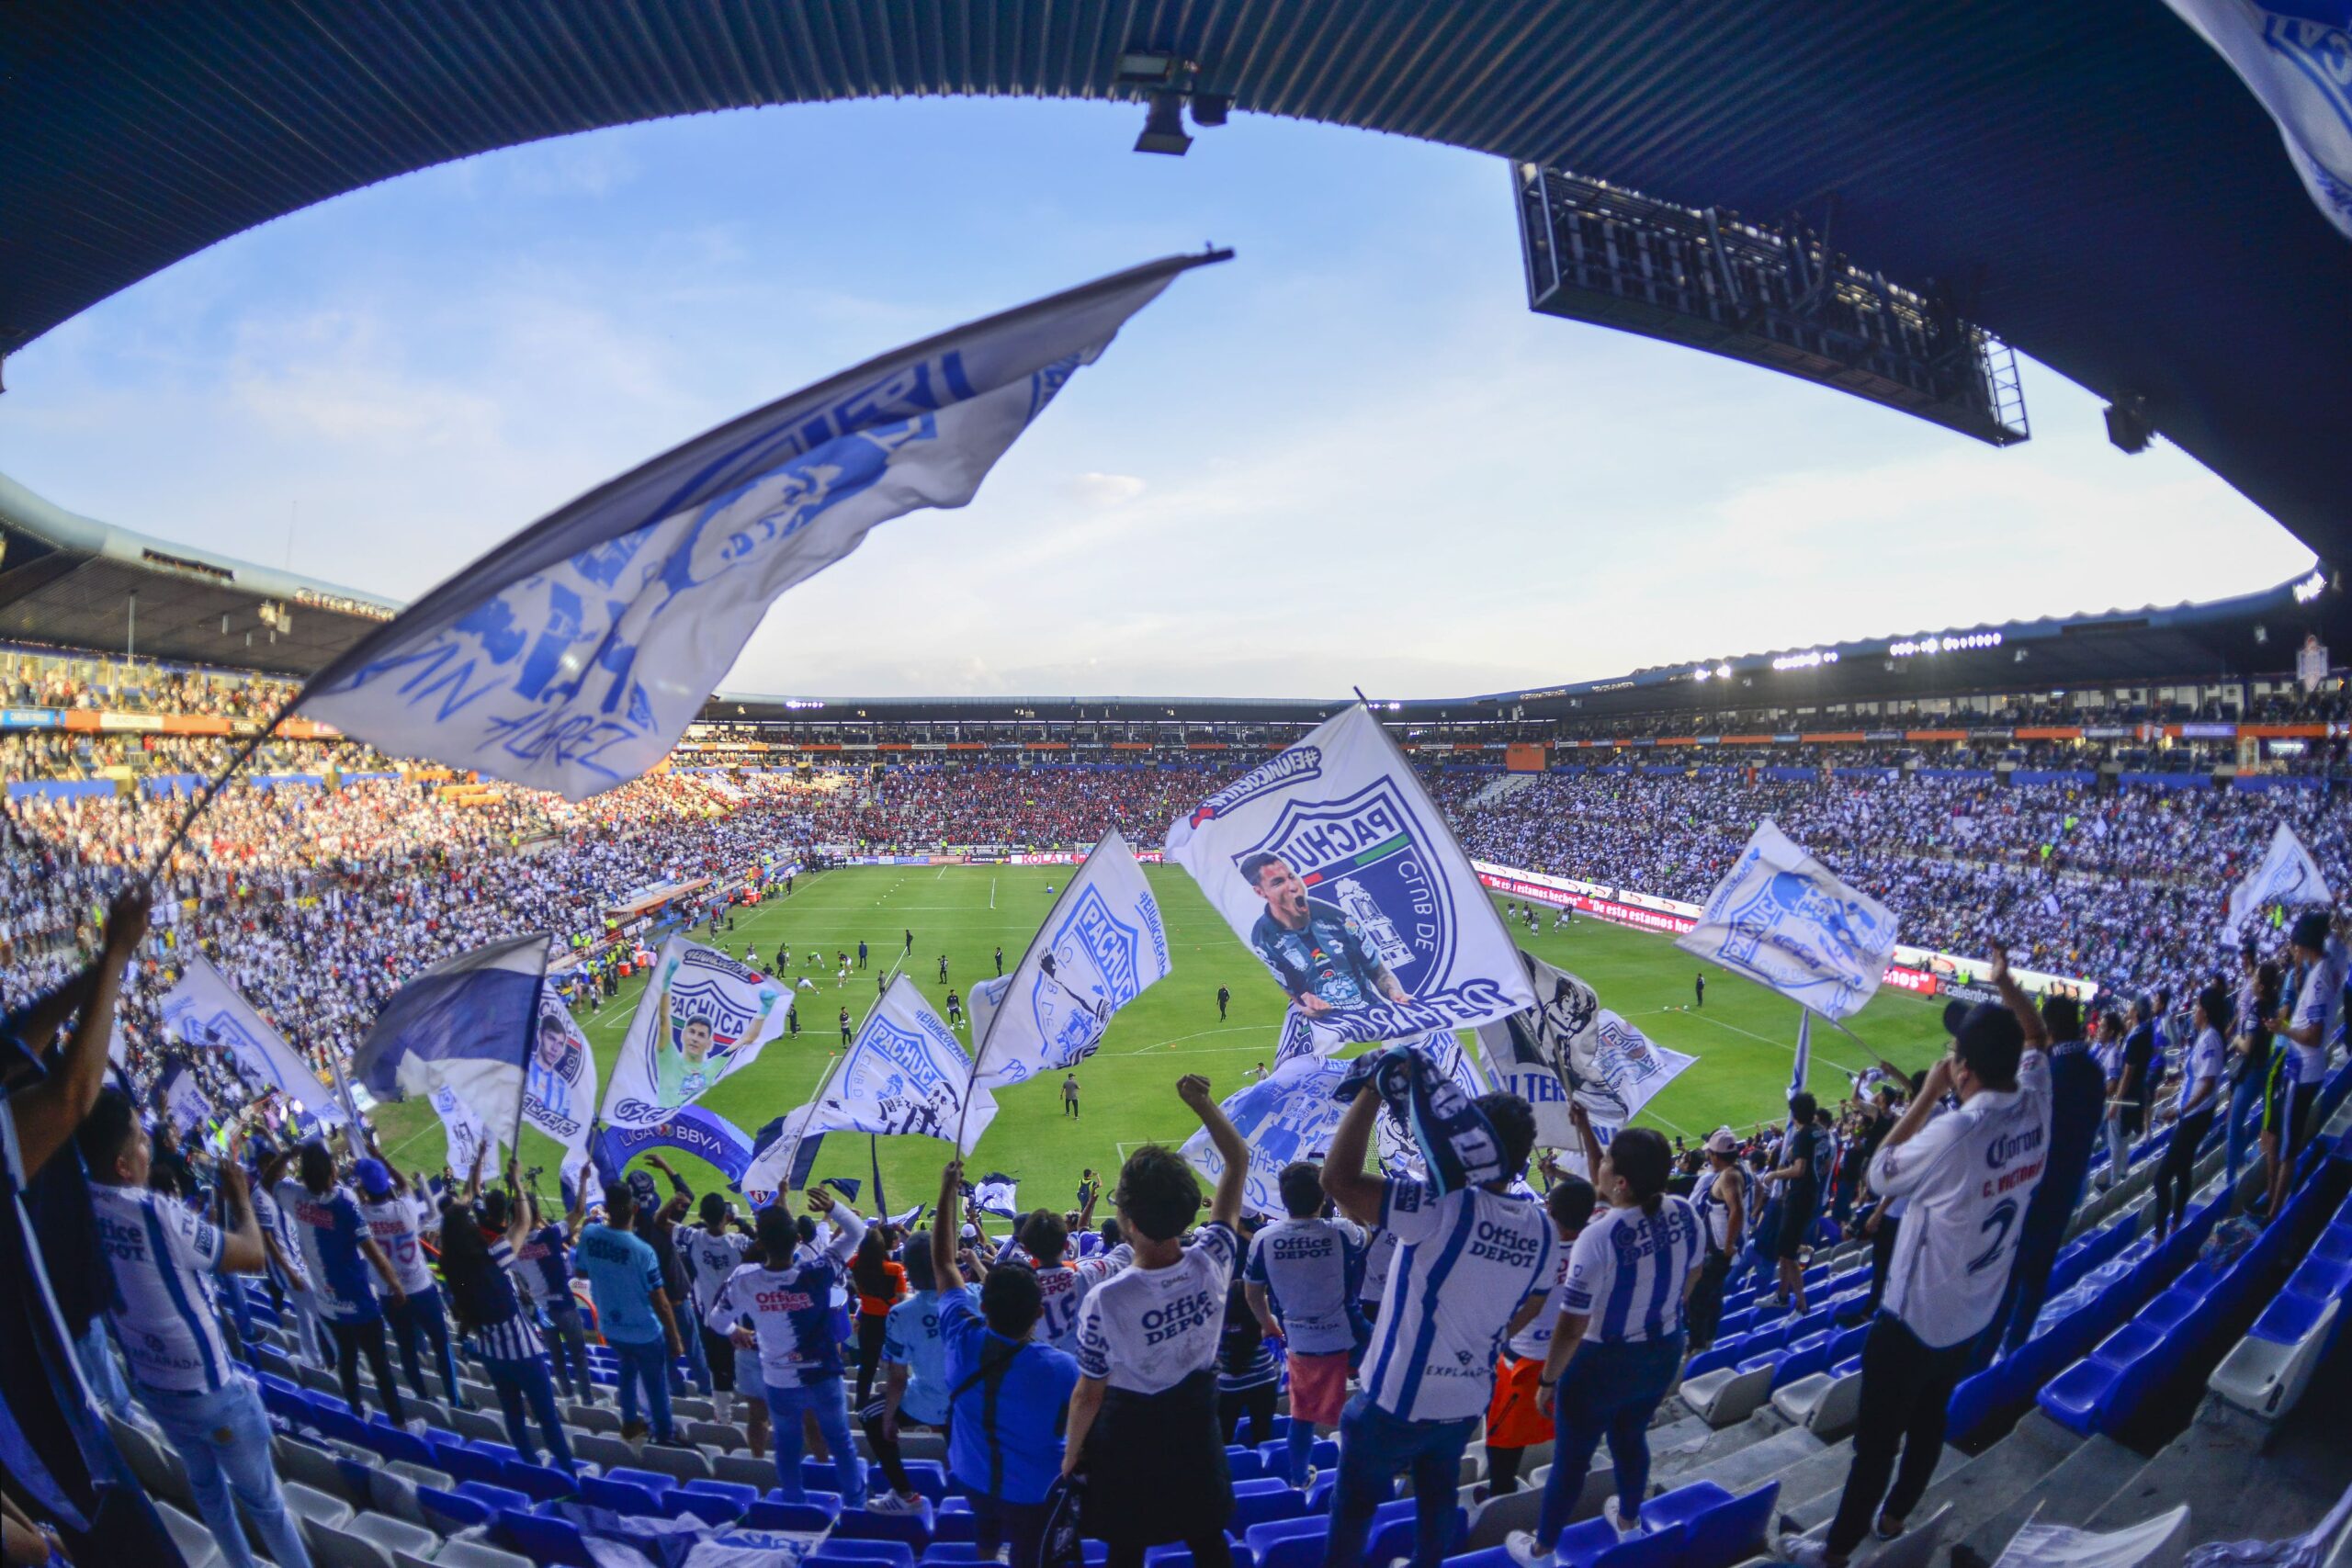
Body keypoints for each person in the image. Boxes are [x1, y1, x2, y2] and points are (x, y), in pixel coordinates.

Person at [1780, 955, 2050, 1568]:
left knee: (1874, 1444)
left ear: (1965, 1070)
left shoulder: (1954, 1132)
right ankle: (1896, 1513)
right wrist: (2007, 983)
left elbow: (1879, 1174)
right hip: (1975, 1309)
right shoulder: (2037, 1099)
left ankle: (1834, 1551)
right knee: (1930, 1421)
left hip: (1914, 1317)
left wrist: (1926, 1094)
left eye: (1955, 1051)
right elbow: (2037, 1037)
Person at [1320, 1076, 1552, 1568]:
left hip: (1394, 1403)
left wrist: (1371, 1089)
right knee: (1436, 1497)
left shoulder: (1438, 1206)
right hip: (1469, 1398)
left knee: (1354, 1508)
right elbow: (1537, 1297)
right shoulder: (1544, 1230)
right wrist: (1492, 1335)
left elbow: (1337, 1181)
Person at [82, 1100, 316, 1568]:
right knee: (266, 1505)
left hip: (153, 1387)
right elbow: (251, 1255)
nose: (150, 1148)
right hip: (208, 1391)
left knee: (208, 1492)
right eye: (141, 1140)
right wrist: (240, 1199)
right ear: (123, 1165)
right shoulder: (155, 1213)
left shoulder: (79, 1205)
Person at [1066, 1077, 1250, 1568]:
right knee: (1209, 1541)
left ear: (1126, 1220)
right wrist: (1201, 1102)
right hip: (1196, 1431)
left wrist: (1070, 1455)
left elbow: (1089, 1392)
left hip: (1129, 1440)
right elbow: (1237, 1161)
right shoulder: (1214, 1259)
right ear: (1191, 1206)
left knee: (1126, 1549)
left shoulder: (1107, 1299)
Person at [1507, 1110, 1702, 1562]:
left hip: (1602, 1365)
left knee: (1572, 1460)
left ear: (1622, 1183)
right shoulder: (1685, 1210)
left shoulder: (1599, 1236)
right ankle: (1630, 1522)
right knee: (1631, 1439)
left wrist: (1549, 1379)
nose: (1602, 1163)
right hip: (1663, 1350)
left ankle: (1542, 1550)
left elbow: (1573, 1325)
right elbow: (1694, 1272)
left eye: (1608, 1159)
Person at [934, 1160, 1082, 1568]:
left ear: (981, 1306)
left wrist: (947, 1189)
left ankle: (985, 1559)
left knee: (985, 1528)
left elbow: (945, 1266)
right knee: (1028, 1548)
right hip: (1034, 1487)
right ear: (1038, 1313)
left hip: (971, 1474)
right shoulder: (1062, 1369)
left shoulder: (962, 1338)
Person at [706, 1189, 870, 1501]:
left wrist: (733, 1331)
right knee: (841, 1442)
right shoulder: (818, 1271)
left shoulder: (745, 1280)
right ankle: (856, 1503)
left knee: (787, 1444)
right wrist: (833, 1207)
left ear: (760, 1243)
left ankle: (794, 1501)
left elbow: (715, 1321)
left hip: (779, 1380)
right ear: (797, 1241)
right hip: (823, 1375)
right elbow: (857, 1231)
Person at [1243, 1160, 1364, 1487]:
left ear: (1283, 1198)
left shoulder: (1264, 1239)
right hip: (1352, 1337)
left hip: (1302, 1340)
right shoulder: (1341, 1232)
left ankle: (1299, 1479)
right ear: (1323, 1196)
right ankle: (1380, 1465)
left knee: (1303, 1416)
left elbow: (1252, 1292)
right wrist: (1341, 1198)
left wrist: (1267, 1323)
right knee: (1376, 1397)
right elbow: (1364, 1234)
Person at [442, 1181, 577, 1474]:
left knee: (513, 1413)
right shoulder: (490, 1258)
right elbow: (523, 1222)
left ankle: (530, 1465)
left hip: (491, 1352)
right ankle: (567, 1474)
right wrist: (516, 1181)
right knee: (547, 1417)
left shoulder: (453, 1268)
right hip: (521, 1351)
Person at [282, 1139, 412, 1427]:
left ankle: (355, 1412)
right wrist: (394, 1284)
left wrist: (287, 1155)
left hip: (328, 1306)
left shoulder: (294, 1196)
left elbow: (268, 1183)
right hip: (359, 1302)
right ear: (331, 1169)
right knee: (380, 1367)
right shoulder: (345, 1201)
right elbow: (372, 1251)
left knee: (347, 1361)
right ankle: (400, 1423)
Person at [1483, 1172, 1597, 1499]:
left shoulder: (1526, 1251)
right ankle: (1577, 1480)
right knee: (1572, 1424)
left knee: (1503, 1437)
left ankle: (1500, 1496)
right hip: (1578, 1355)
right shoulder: (1599, 1246)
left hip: (1526, 1361)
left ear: (1549, 1208)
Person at [573, 1179, 686, 1444]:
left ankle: (629, 1424)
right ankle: (665, 1435)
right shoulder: (642, 1251)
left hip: (612, 1327)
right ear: (635, 1208)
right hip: (645, 1332)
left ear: (606, 1208)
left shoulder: (590, 1235)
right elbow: (661, 1301)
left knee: (626, 1370)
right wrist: (675, 1338)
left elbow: (580, 1272)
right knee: (656, 1386)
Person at [355, 1151, 464, 1410]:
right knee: (441, 1344)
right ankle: (454, 1400)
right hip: (420, 1288)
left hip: (388, 1293)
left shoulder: (361, 1215)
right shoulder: (406, 1208)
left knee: (406, 1348)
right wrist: (383, 1159)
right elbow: (404, 1185)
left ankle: (422, 1396)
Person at [1238, 852, 1412, 1015]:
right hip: (1327, 1028)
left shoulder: (1340, 919)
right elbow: (1296, 998)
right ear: (1260, 892)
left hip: (1369, 1016)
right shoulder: (1264, 938)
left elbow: (1380, 974)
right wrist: (1309, 1006)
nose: (1292, 887)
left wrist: (1393, 992)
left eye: (1291, 877)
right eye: (1278, 883)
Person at [862, 1241, 964, 1514]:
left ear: (907, 1270)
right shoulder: (972, 1297)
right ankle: (979, 1502)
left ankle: (905, 1496)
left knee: (869, 1415)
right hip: (966, 1404)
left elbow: (897, 1379)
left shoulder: (901, 1313)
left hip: (927, 1401)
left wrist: (888, 1418)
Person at [2269, 910, 2342, 1215]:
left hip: (2302, 1071)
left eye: (2296, 944)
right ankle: (2275, 1203)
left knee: (2288, 1145)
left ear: (2306, 944)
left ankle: (2274, 1213)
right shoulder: (2326, 965)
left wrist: (2282, 1029)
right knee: (2289, 1139)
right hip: (2307, 1069)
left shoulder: (2320, 980)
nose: (2293, 949)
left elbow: (2312, 1036)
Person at [2154, 984, 2229, 1243]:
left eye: (2197, 1007)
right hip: (2192, 1113)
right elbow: (2194, 1079)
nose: (2193, 1012)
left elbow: (2207, 1084)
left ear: (2205, 1012)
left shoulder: (2211, 1040)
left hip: (2195, 1116)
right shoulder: (2206, 1036)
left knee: (2161, 1178)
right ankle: (2175, 1225)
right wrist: (2170, 1095)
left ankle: (2161, 1234)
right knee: (2183, 1170)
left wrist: (2179, 1110)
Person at [516, 1176, 595, 1404]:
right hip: (564, 1307)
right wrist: (582, 1181)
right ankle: (587, 1400)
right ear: (537, 1213)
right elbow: (579, 1210)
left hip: (542, 1311)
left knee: (557, 1357)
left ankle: (569, 1398)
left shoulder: (514, 1245)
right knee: (579, 1355)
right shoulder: (550, 1234)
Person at [681, 1194, 752, 1421]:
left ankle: (723, 1416)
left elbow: (663, 1224)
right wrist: (740, 1222)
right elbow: (764, 1242)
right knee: (747, 1366)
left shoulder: (692, 1239)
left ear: (702, 1216)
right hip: (738, 1321)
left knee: (718, 1369)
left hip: (709, 1321)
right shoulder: (739, 1243)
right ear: (726, 1216)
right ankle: (753, 1414)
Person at [1761, 1090, 1827, 1312]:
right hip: (1812, 1195)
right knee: (1785, 1249)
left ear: (1795, 1114)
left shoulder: (1804, 1136)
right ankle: (1781, 1294)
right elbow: (1823, 1164)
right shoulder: (1821, 1132)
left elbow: (1799, 1170)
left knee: (1788, 1253)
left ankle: (1800, 1303)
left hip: (1799, 1198)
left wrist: (1774, 1175)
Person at [1687, 1126, 1748, 1352]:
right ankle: (1709, 1338)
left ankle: (1697, 1346)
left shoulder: (1728, 1176)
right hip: (1729, 1249)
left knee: (1698, 1297)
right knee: (1714, 1293)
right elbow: (1761, 1190)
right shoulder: (1744, 1168)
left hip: (1722, 1251)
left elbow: (1737, 1210)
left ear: (1715, 1155)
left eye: (1709, 1153)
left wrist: (1729, 1244)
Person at [2223, 950, 2276, 1197]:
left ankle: (2231, 1178)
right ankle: (2241, 1160)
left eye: (2256, 980)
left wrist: (2236, 1040)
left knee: (2234, 1123)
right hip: (2265, 1066)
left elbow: (2248, 1045)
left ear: (2262, 986)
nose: (2252, 983)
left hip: (2253, 1070)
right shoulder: (2274, 1003)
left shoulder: (2257, 1011)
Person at [852, 1224, 908, 1405]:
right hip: (890, 1324)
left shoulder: (855, 1263)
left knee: (866, 1367)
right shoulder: (895, 1270)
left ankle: (861, 1404)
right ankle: (895, 1405)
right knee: (896, 1368)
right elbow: (901, 1300)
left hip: (867, 1322)